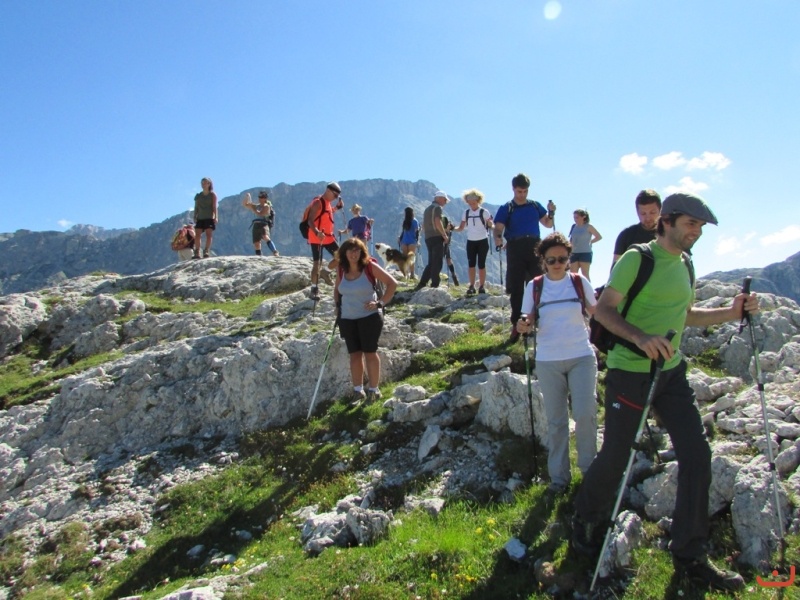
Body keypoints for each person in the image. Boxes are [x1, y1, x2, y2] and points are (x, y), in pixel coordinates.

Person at [571, 193, 758, 592]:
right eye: (691, 224)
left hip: (671, 374)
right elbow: (603, 310)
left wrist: (732, 312)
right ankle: (585, 518)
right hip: (630, 372)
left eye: (700, 227)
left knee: (697, 454)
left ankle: (690, 553)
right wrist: (641, 338)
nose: (697, 232)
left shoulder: (686, 264)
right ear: (668, 221)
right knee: (617, 455)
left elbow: (686, 315)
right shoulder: (637, 259)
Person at [516, 232, 597, 494]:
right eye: (551, 260)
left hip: (581, 356)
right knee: (556, 421)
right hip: (548, 360)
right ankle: (559, 479)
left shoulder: (579, 282)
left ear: (569, 258)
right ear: (543, 260)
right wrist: (523, 325)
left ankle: (590, 473)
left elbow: (597, 312)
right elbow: (527, 316)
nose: (557, 264)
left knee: (585, 414)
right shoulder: (535, 286)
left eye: (562, 259)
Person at [334, 238, 397, 405]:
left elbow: (392, 283)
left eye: (357, 250)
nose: (353, 254)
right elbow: (337, 290)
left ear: (362, 252)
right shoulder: (341, 269)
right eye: (350, 250)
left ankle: (374, 390)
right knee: (354, 355)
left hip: (369, 317)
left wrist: (380, 303)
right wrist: (337, 307)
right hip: (347, 318)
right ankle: (358, 391)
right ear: (344, 253)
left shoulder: (369, 266)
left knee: (370, 352)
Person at [492, 173, 555, 342]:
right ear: (513, 189)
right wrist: (498, 237)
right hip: (515, 247)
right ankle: (516, 324)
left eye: (525, 191)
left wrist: (551, 212)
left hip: (535, 246)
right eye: (519, 191)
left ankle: (537, 322)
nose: (522, 194)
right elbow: (498, 227)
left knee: (538, 285)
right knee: (517, 287)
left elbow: (548, 223)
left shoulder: (535, 205)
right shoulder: (507, 207)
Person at [306, 182, 345, 301]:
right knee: (317, 263)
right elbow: (310, 220)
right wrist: (317, 232)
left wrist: (337, 208)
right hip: (317, 237)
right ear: (328, 191)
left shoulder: (327, 203)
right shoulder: (318, 202)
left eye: (337, 196)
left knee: (341, 256)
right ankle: (314, 290)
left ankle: (326, 272)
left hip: (328, 237)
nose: (335, 198)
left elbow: (327, 213)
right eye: (335, 195)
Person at [453, 189, 493, 295]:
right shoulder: (466, 213)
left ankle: (481, 286)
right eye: (469, 203)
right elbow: (461, 228)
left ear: (478, 201)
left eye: (473, 203)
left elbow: (491, 224)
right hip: (471, 241)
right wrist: (452, 228)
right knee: (471, 264)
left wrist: (491, 225)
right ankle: (471, 286)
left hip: (483, 240)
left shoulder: (484, 212)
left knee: (481, 264)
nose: (471, 205)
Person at [612, 189, 661, 267]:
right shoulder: (626, 235)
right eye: (643, 213)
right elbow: (615, 268)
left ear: (660, 210)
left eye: (652, 212)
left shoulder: (670, 236)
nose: (648, 218)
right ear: (637, 212)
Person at [413, 191, 450, 291]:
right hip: (437, 236)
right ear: (439, 198)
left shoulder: (427, 209)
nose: (445, 202)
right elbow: (437, 222)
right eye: (445, 200)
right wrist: (444, 235)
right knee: (437, 262)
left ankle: (423, 282)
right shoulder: (437, 208)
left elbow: (424, 225)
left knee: (431, 262)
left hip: (428, 237)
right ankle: (435, 284)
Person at [568, 209, 602, 281]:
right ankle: (574, 288)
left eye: (577, 217)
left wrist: (591, 242)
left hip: (585, 252)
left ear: (583, 217)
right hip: (574, 253)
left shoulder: (589, 226)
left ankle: (587, 288)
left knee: (585, 274)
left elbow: (599, 237)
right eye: (574, 217)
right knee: (573, 275)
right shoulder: (573, 227)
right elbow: (571, 240)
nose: (575, 219)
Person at [242, 191, 279, 256]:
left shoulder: (267, 206)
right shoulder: (256, 206)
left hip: (263, 224)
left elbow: (260, 214)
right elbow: (245, 204)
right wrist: (247, 197)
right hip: (256, 224)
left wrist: (253, 209)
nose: (260, 198)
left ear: (265, 198)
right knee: (256, 242)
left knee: (265, 236)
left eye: (261, 197)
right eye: (259, 197)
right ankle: (258, 255)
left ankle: (275, 251)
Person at [193, 177, 218, 259]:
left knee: (209, 235)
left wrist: (216, 217)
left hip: (209, 217)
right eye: (202, 183)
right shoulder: (198, 196)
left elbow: (214, 207)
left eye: (205, 183)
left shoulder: (212, 195)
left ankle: (206, 250)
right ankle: (197, 251)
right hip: (200, 217)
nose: (203, 185)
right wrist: (195, 216)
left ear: (209, 184)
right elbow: (196, 207)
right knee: (197, 235)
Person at [398, 207, 420, 279]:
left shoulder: (405, 221)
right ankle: (412, 274)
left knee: (405, 258)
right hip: (412, 241)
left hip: (404, 241)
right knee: (411, 258)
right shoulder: (415, 221)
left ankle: (405, 273)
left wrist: (400, 239)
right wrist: (417, 241)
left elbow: (403, 231)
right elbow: (417, 232)